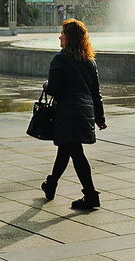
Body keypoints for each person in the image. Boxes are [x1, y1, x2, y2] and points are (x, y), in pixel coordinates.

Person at [41, 19, 106, 210]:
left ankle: (91, 195)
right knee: (66, 150)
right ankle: (51, 185)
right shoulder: (90, 62)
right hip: (85, 112)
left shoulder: (60, 60)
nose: (59, 36)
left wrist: (46, 85)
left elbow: (54, 89)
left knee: (75, 153)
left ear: (69, 38)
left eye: (62, 33)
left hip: (68, 113)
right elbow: (96, 93)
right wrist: (100, 118)